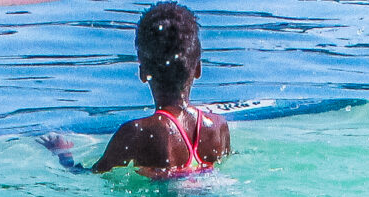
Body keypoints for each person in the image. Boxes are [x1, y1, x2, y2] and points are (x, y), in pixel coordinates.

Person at [44, 3, 230, 179]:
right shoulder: (218, 127)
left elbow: (88, 176)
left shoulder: (136, 133)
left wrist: (63, 155)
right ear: (198, 69)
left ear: (143, 73)